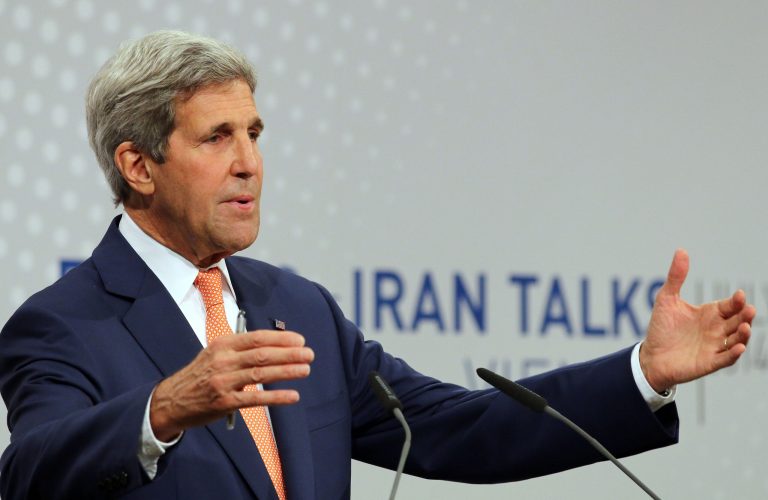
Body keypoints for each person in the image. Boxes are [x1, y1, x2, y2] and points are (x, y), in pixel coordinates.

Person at [0, 30, 755, 500]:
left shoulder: (301, 308)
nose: (250, 165)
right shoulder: (63, 324)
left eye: (255, 133)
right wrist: (161, 410)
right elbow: (29, 475)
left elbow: (458, 429)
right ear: (137, 164)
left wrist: (642, 375)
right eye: (217, 138)